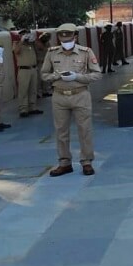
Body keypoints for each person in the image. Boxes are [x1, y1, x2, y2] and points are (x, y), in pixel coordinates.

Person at [40, 23, 103, 176]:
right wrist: (56, 76)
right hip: (59, 95)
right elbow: (44, 74)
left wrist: (78, 77)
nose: (65, 40)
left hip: (80, 94)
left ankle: (87, 162)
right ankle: (64, 163)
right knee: (61, 131)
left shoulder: (86, 52)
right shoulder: (52, 53)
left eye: (68, 37)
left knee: (85, 130)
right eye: (62, 37)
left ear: (75, 37)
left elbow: (97, 74)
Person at [13, 30, 43, 117]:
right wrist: (22, 41)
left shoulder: (32, 44)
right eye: (23, 34)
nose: (25, 36)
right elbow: (16, 51)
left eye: (26, 34)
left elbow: (41, 47)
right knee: (23, 90)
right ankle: (23, 109)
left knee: (33, 89)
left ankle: (32, 107)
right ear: (20, 36)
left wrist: (34, 39)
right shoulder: (17, 43)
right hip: (23, 70)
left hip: (33, 69)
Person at [34, 31, 53, 97]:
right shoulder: (37, 43)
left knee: (46, 78)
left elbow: (49, 51)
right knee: (39, 79)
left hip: (46, 62)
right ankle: (38, 93)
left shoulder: (47, 43)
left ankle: (46, 91)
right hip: (39, 63)